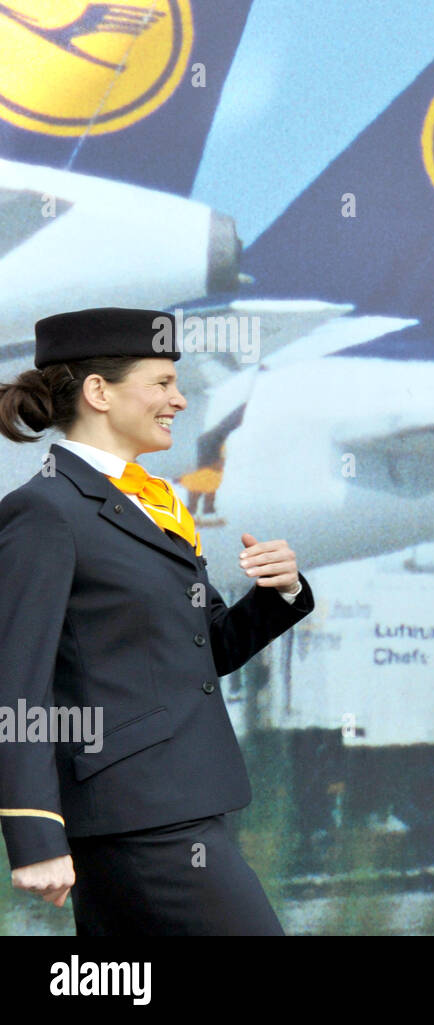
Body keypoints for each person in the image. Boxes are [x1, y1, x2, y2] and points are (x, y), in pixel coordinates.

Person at [0, 307, 315, 935]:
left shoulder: (155, 501)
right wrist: (34, 829)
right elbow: (15, 684)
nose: (179, 398)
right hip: (138, 817)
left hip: (180, 802)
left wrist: (279, 594)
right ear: (98, 392)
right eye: (162, 383)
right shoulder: (45, 511)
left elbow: (207, 650)